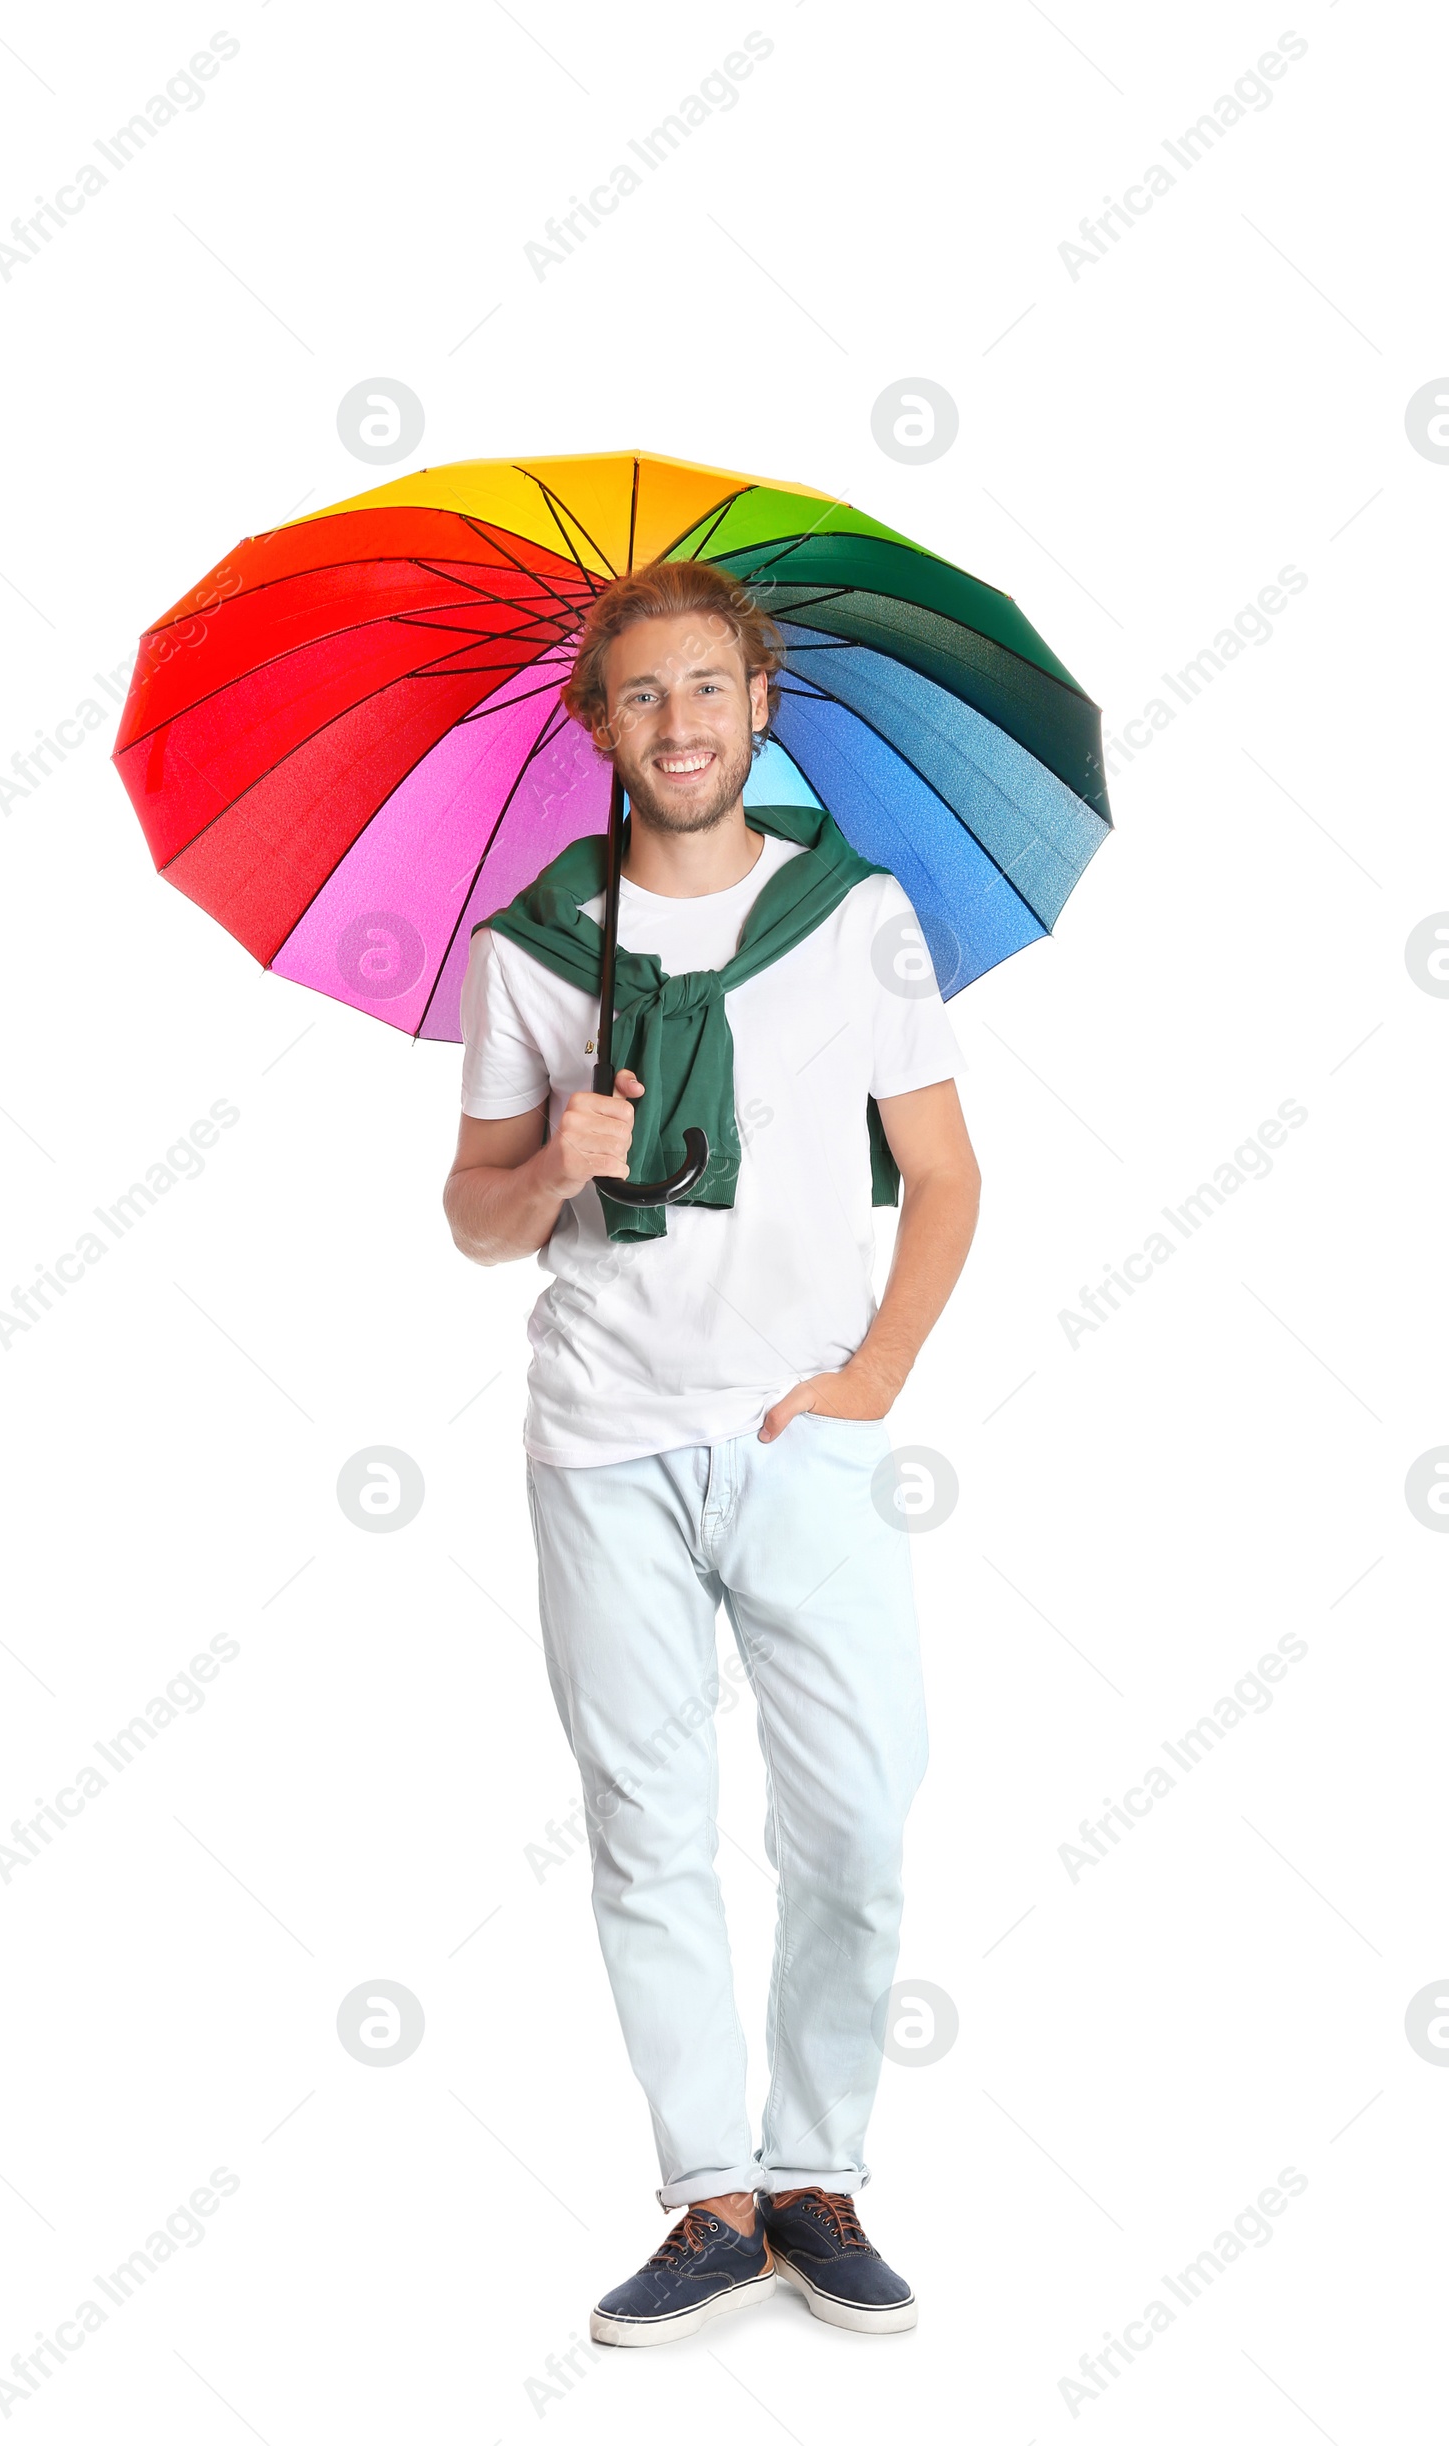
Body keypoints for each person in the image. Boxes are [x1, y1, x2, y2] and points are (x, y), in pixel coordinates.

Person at [443, 557, 980, 2346]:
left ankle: (821, 2165)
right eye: (642, 696)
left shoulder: (858, 916)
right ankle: (712, 2193)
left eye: (708, 688)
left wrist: (879, 1366)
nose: (679, 724)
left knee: (859, 1811)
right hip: (602, 1442)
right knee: (645, 1823)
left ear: (761, 705)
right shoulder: (531, 944)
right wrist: (558, 1167)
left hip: (795, 1432)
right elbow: (473, 1220)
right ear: (598, 724)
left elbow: (950, 1170)